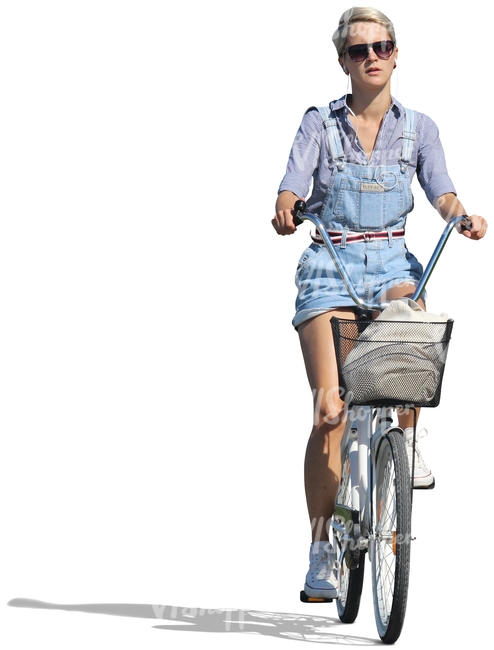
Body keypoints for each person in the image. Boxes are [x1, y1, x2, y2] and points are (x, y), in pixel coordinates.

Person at [271, 6, 488, 601]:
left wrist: (461, 216)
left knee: (414, 333)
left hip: (392, 263)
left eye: (382, 46)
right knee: (329, 412)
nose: (372, 57)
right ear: (343, 60)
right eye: (359, 49)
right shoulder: (319, 123)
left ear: (397, 53)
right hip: (332, 264)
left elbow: (441, 189)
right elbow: (292, 182)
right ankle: (321, 549)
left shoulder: (420, 128)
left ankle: (408, 440)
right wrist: (287, 205)